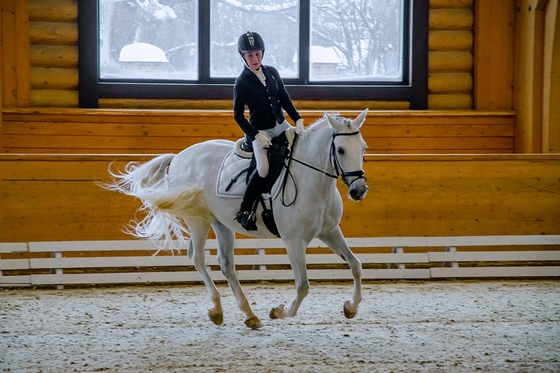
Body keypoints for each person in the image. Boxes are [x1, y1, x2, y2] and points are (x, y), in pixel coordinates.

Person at [233, 31, 305, 231]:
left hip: (281, 125)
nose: (255, 59)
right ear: (243, 56)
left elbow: (284, 98)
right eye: (250, 55)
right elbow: (238, 115)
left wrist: (297, 119)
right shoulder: (242, 82)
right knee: (263, 168)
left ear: (262, 53)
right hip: (260, 131)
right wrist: (255, 135)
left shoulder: (272, 72)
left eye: (257, 54)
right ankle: (245, 211)